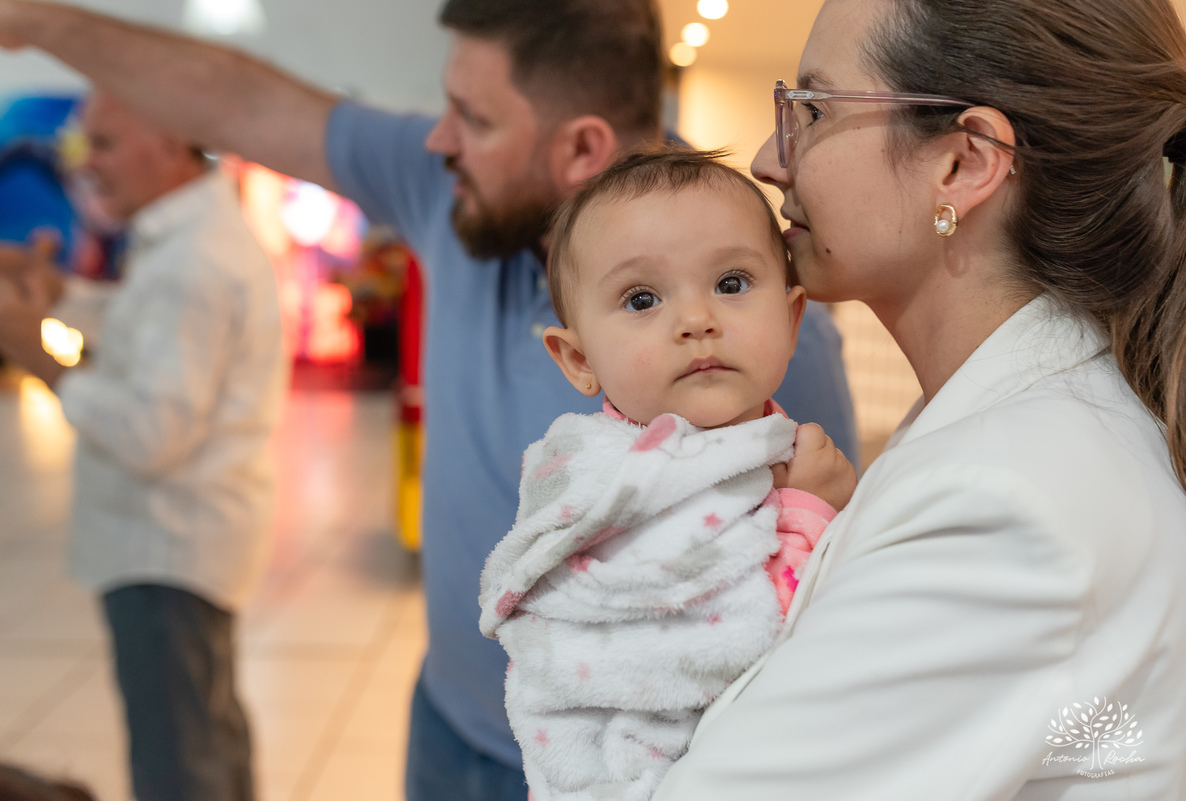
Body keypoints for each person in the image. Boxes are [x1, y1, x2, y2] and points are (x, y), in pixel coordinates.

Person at [0, 3, 860, 799]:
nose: (438, 140)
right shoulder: (452, 194)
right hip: (450, 722)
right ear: (573, 354)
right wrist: (35, 18)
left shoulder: (758, 344)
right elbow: (241, 104)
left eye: (475, 119)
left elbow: (813, 610)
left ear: (579, 148)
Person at [647, 0, 1186, 797]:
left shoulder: (1008, 506)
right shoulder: (1018, 431)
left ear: (964, 164)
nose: (771, 159)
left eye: (812, 109)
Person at [479, 149, 856, 800]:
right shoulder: (602, 480)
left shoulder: (776, 448)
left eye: (732, 283)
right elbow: (733, 642)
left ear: (793, 320)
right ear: (577, 358)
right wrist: (808, 516)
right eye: (642, 298)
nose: (697, 320)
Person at [0, 91, 286, 801]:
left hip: (166, 551)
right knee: (209, 731)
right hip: (191, 541)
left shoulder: (193, 262)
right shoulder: (191, 236)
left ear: (170, 139)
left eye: (102, 144)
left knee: (178, 763)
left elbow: (148, 433)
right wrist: (57, 293)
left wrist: (39, 359)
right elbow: (143, 324)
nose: (84, 166)